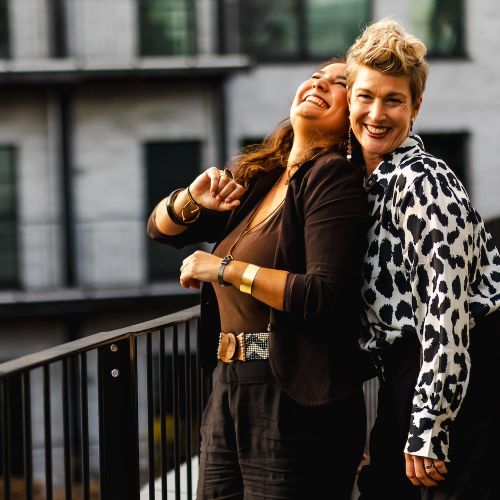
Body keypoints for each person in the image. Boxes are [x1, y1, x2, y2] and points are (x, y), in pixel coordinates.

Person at [147, 59, 369, 499]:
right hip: (230, 385)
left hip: (294, 395)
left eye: (339, 83)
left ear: (354, 113)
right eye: (316, 76)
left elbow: (324, 294)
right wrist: (191, 198)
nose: (320, 84)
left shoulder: (332, 177)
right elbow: (161, 230)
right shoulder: (264, 179)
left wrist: (224, 270)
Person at [345, 18, 500, 500]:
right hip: (408, 371)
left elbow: (447, 309)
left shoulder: (424, 180)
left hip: (456, 370)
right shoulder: (366, 182)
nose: (377, 113)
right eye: (365, 96)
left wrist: (430, 423)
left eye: (393, 100)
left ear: (415, 108)